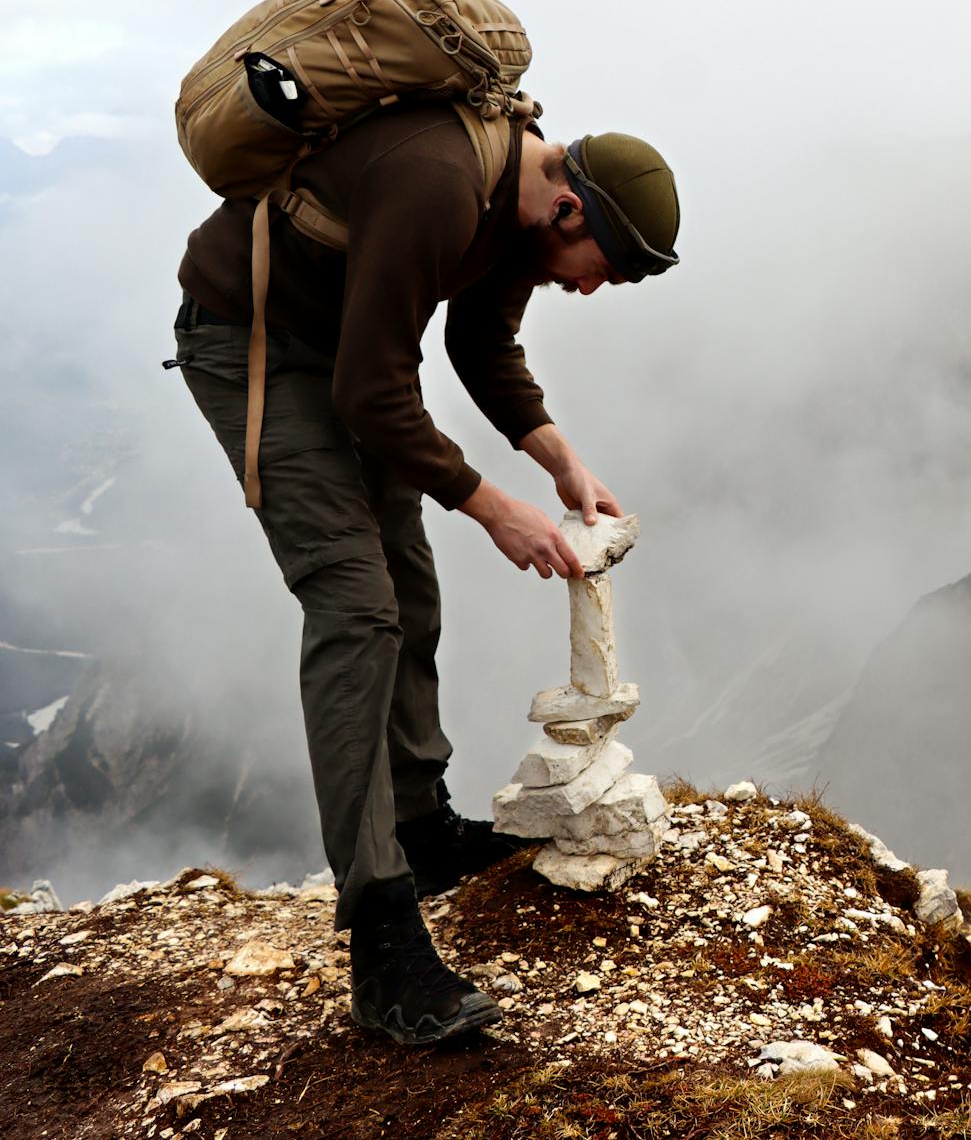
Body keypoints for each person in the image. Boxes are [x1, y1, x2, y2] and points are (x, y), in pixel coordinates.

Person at [171, 102, 679, 1044]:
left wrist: (556, 457)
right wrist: (494, 506)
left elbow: (479, 340)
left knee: (407, 580)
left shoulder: (517, 215)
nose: (592, 289)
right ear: (570, 211)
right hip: (255, 348)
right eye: (601, 269)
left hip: (349, 354)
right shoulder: (441, 181)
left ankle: (419, 821)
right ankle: (382, 937)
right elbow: (371, 390)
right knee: (358, 608)